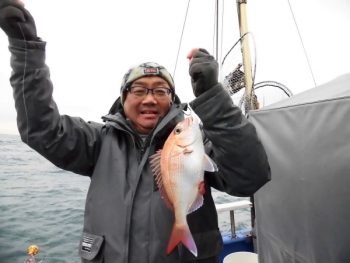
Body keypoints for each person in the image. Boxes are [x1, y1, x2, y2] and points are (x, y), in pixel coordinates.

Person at [0, 1, 271, 262]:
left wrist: (214, 97)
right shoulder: (97, 142)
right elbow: (40, 128)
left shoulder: (198, 145)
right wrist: (26, 50)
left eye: (161, 91)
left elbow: (250, 177)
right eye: (139, 90)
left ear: (173, 99)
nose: (150, 99)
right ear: (123, 99)